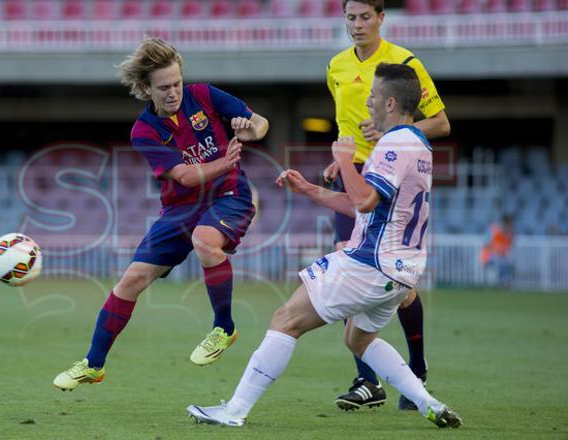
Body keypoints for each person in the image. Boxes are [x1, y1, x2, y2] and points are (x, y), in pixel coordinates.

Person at [187, 63, 462, 429]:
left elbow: (363, 201)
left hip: (371, 262)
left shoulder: (392, 143)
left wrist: (346, 160)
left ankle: (234, 411)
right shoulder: (419, 145)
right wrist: (311, 190)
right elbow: (364, 206)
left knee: (285, 320)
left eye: (374, 96)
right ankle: (427, 402)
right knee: (359, 339)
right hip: (404, 270)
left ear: (391, 103)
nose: (368, 102)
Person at [53, 37, 269, 390]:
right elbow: (183, 175)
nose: (173, 93)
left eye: (177, 83)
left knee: (205, 241)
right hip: (180, 207)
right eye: (164, 87)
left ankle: (223, 328)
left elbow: (260, 123)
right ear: (145, 89)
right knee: (131, 280)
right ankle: (93, 364)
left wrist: (251, 129)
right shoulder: (144, 130)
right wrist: (224, 161)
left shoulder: (204, 95)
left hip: (229, 196)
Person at [323, 0, 450, 411]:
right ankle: (367, 380)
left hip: (394, 175)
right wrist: (341, 160)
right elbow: (346, 127)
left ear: (381, 18)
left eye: (365, 17)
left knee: (400, 288)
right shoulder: (336, 67)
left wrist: (392, 131)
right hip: (356, 175)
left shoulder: (403, 63)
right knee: (348, 262)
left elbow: (441, 123)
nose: (357, 25)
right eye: (350, 18)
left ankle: (416, 365)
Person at [480, 215, 514, 287]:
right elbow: (486, 245)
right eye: (509, 224)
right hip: (488, 255)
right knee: (501, 263)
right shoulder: (494, 229)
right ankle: (503, 283)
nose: (510, 226)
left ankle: (506, 283)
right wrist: (497, 251)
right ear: (505, 223)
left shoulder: (508, 233)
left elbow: (507, 248)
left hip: (500, 256)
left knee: (508, 263)